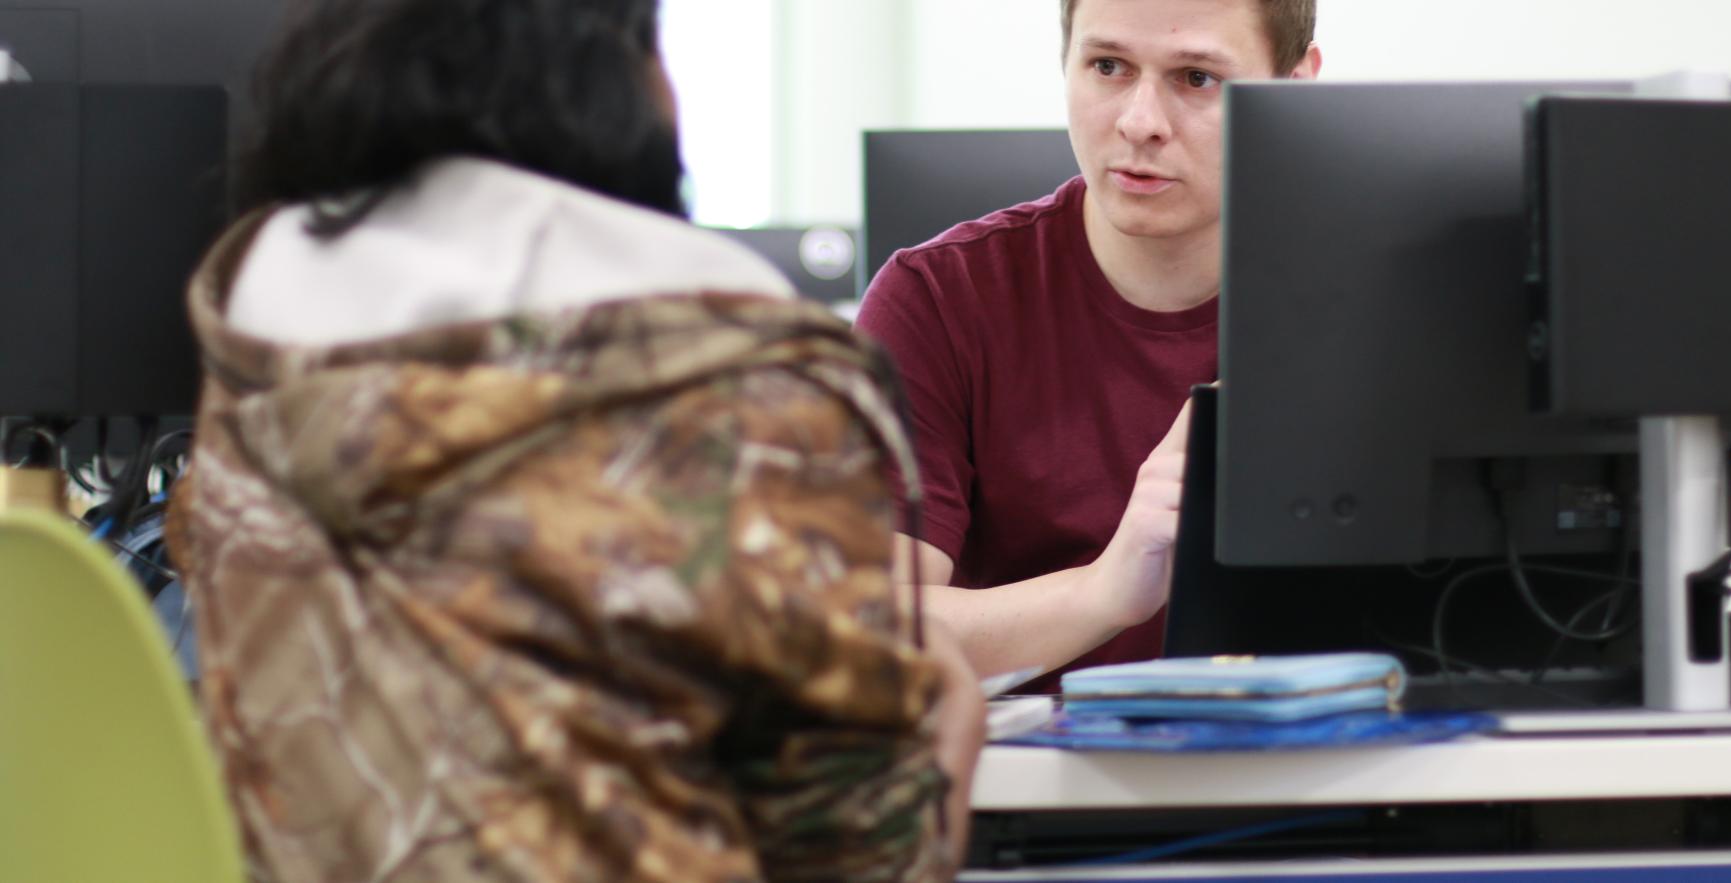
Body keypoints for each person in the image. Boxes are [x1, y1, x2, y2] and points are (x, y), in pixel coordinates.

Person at [163, 1, 983, 880]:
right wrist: (944, 736)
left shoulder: (258, 312)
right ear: (625, 77)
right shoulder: (734, 362)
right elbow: (853, 854)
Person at [855, 0, 1322, 690]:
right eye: (1108, 66)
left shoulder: (1377, 292)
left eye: (1197, 78)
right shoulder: (936, 300)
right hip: (1033, 790)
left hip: (1341, 777)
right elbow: (864, 636)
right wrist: (1107, 590)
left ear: (1293, 88)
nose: (1139, 123)